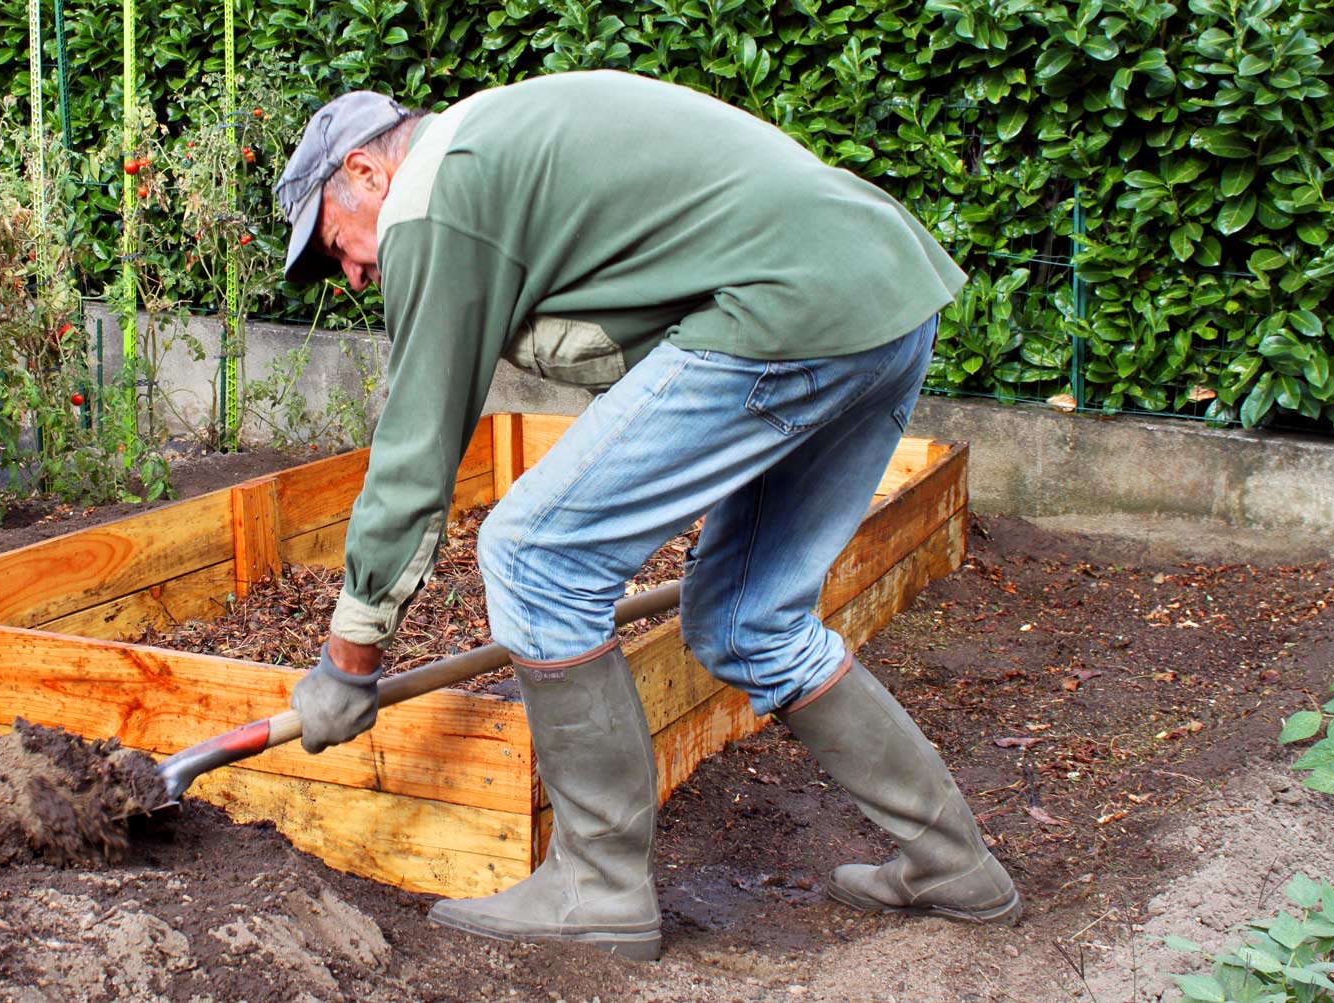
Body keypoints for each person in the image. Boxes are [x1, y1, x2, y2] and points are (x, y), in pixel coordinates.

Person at [272, 70, 1020, 962]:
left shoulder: (434, 199)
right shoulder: (498, 145)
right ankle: (952, 862)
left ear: (364, 172)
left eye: (333, 247)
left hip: (786, 309)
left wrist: (349, 659)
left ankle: (597, 887)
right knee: (748, 618)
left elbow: (415, 449)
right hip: (879, 298)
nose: (351, 275)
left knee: (533, 555)